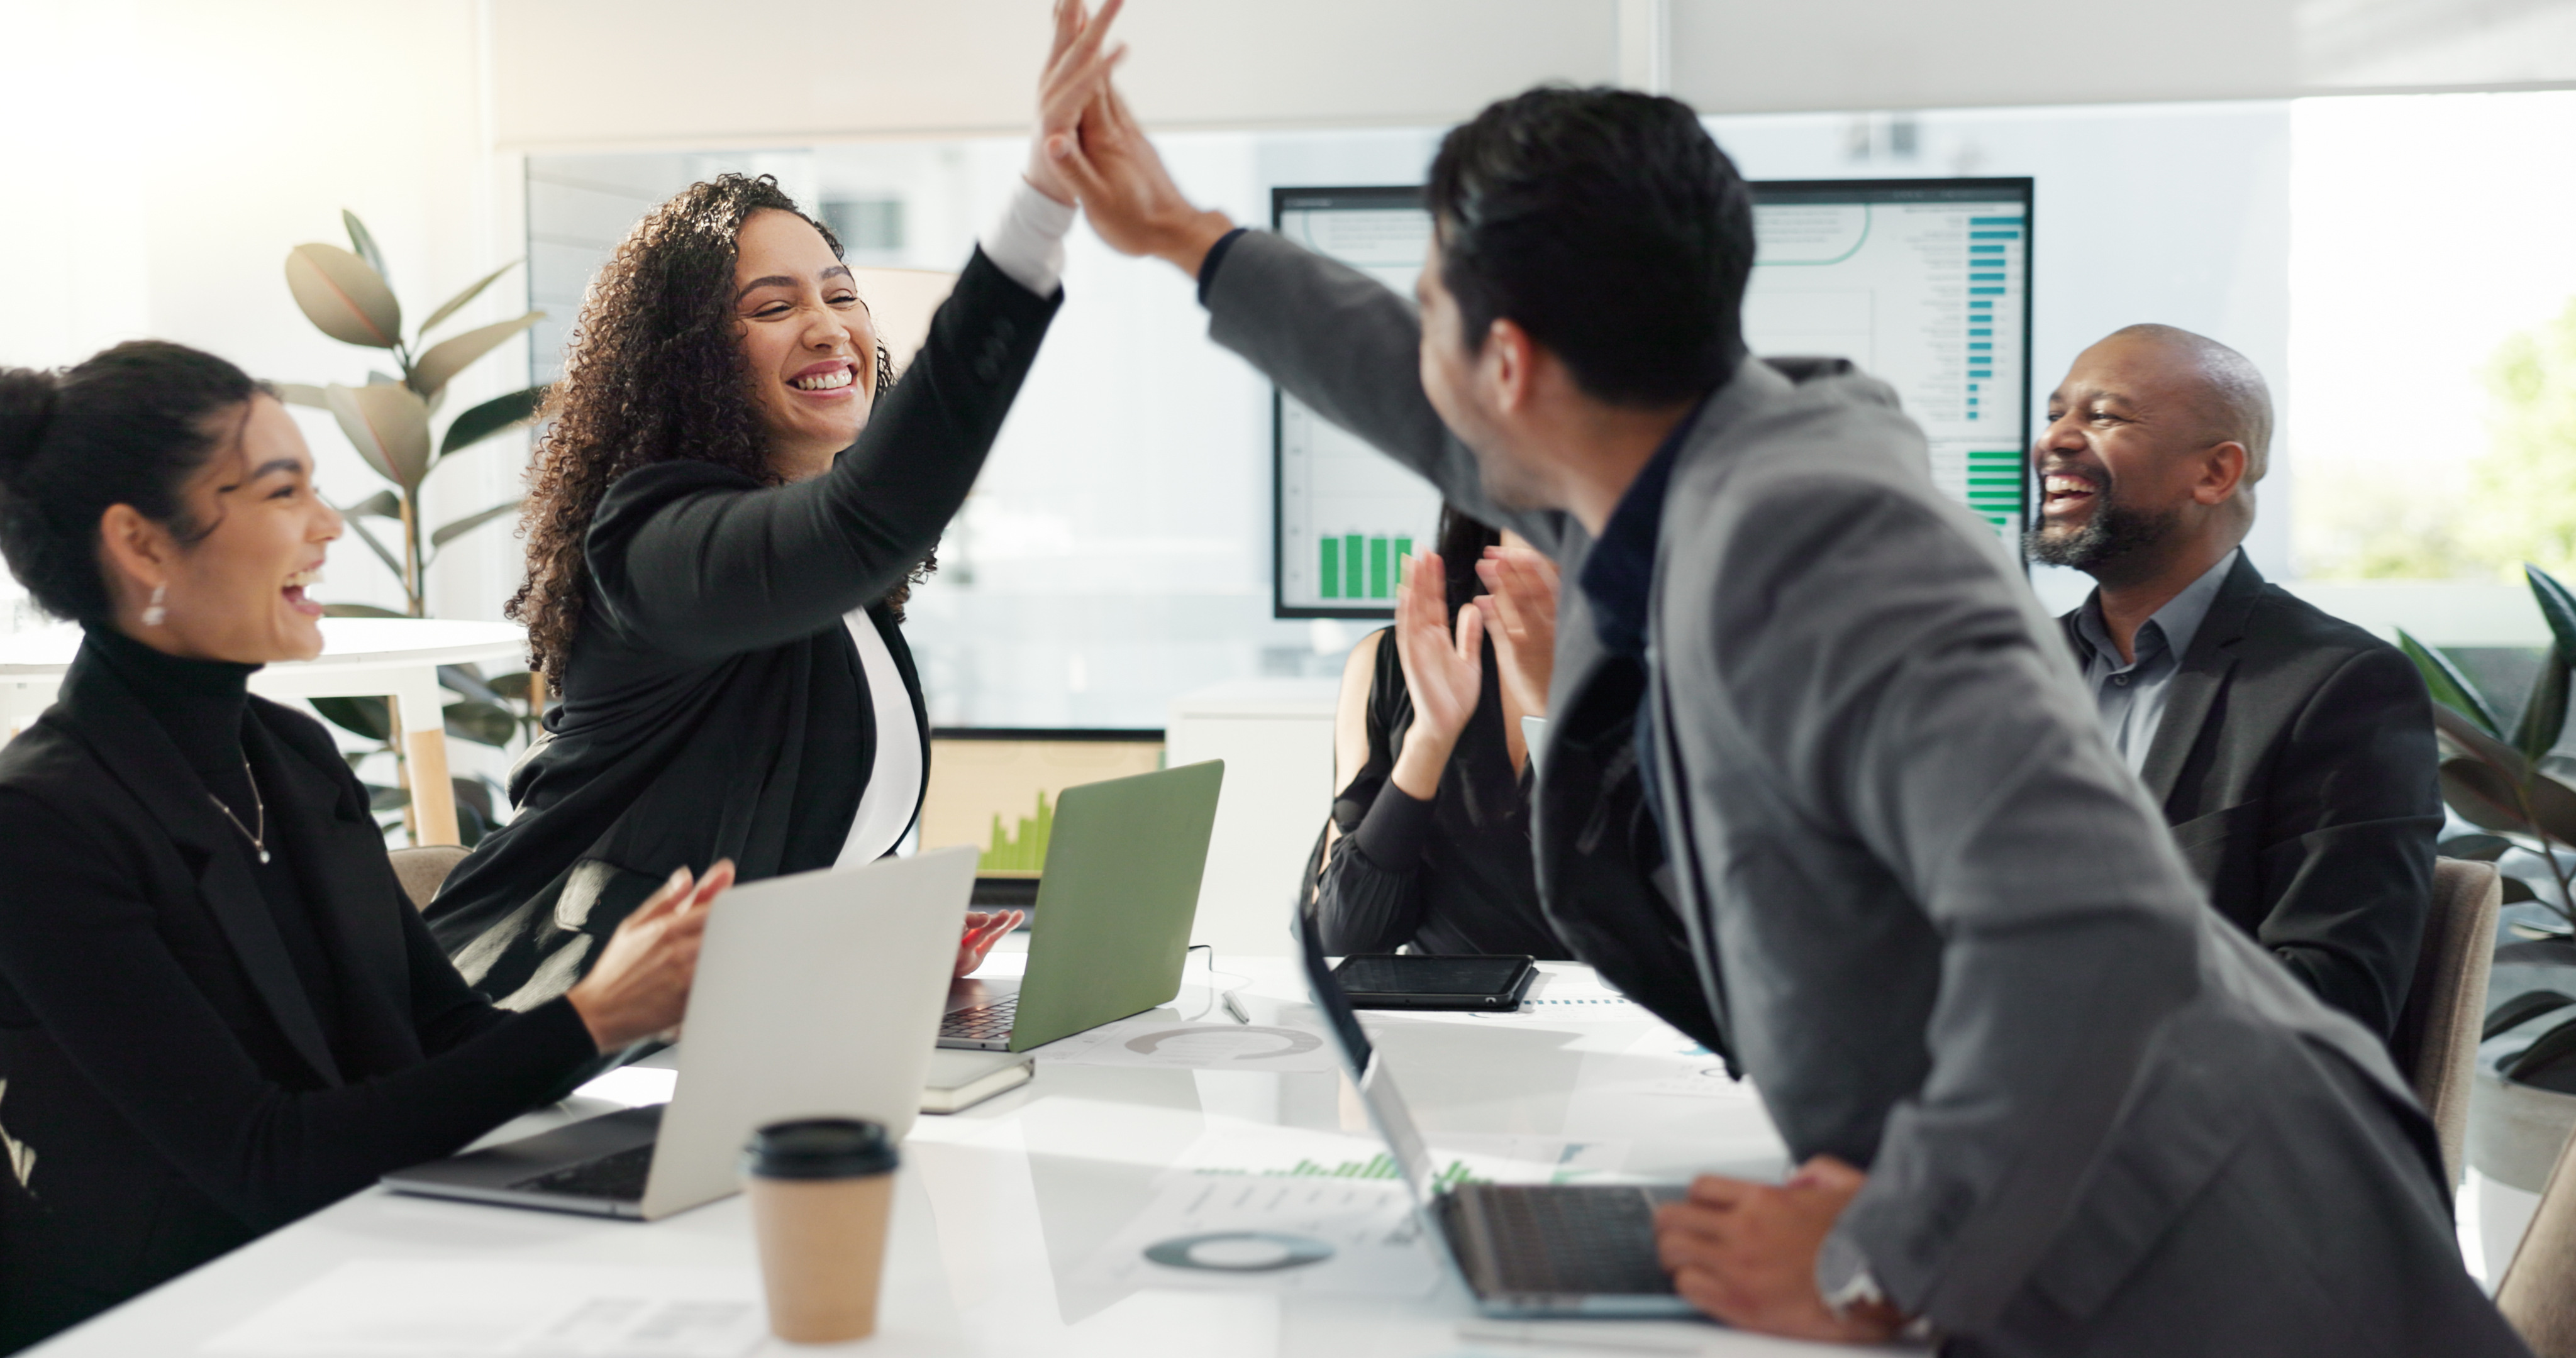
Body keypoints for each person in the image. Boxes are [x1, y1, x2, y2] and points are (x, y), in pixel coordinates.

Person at [1055, 70, 2523, 1354]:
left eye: (1440, 307)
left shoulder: (1811, 540)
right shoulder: (1678, 465)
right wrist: (1187, 238)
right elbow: (1423, 393)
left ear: (1513, 366)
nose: (1432, 370)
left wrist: (1881, 1250)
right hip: (2098, 1203)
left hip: (2192, 1254)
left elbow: (2091, 924)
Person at [0, 343, 727, 1352]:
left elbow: (449, 1039)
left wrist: (641, 1010)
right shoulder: (41, 825)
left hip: (368, 1263)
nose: (329, 526)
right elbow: (266, 1160)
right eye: (282, 490)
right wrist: (591, 1019)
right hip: (189, 1321)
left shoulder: (291, 758)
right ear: (142, 545)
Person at [425, 1, 1126, 1004]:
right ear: (691, 361)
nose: (829, 327)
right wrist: (1036, 216)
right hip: (549, 1024)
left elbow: (801, 844)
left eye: (841, 294)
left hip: (751, 1017)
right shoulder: (651, 543)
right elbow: (862, 523)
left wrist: (885, 943)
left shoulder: (833, 579)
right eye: (774, 305)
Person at [2031, 325, 2441, 1040]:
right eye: (2054, 414)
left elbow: (2331, 998)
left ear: (2215, 474)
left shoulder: (2341, 688)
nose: (2056, 440)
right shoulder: (2014, 673)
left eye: (2102, 416)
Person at [1310, 504, 1567, 957]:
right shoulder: (1392, 663)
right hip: (1447, 1016)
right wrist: (1428, 740)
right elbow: (1345, 937)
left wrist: (1554, 713)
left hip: (1623, 1016)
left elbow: (1660, 924)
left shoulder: (1668, 673)